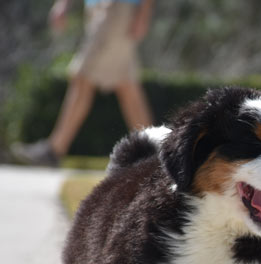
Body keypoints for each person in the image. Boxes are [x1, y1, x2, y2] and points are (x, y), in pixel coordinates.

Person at [11, 0, 154, 167]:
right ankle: (153, 151)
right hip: (101, 10)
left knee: (83, 78)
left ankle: (54, 150)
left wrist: (144, 13)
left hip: (116, 10)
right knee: (126, 85)